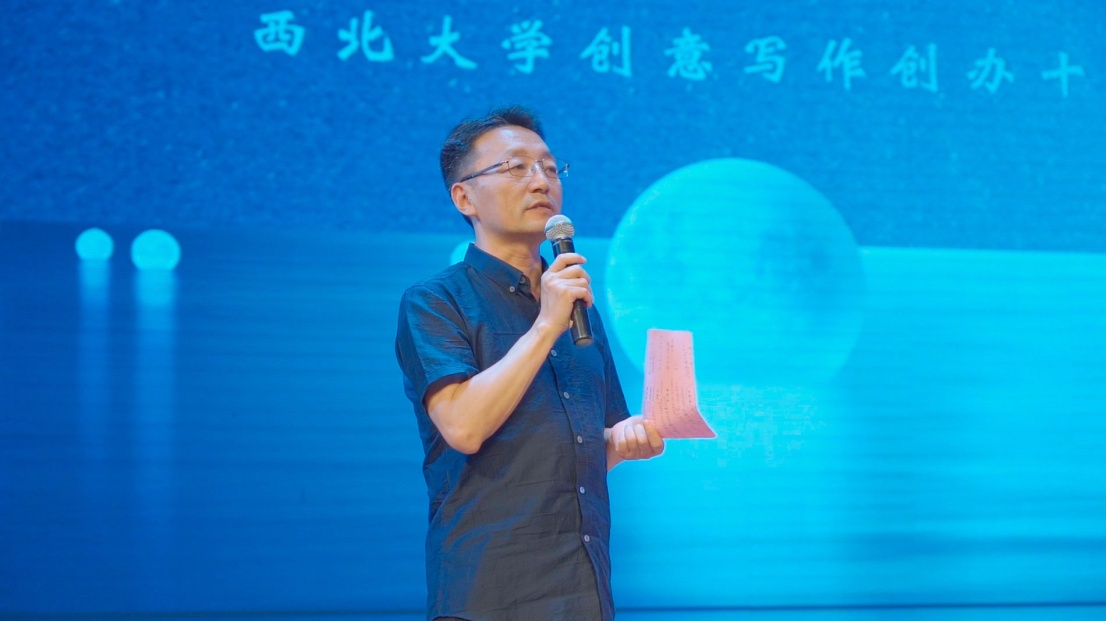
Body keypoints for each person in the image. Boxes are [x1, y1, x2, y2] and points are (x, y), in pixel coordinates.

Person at [394, 105, 665, 621]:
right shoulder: (435, 301)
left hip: (583, 588)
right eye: (516, 167)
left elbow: (590, 444)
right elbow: (464, 427)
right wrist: (545, 325)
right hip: (488, 592)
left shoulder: (579, 308)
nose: (541, 181)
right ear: (464, 198)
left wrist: (627, 441)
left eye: (550, 167)